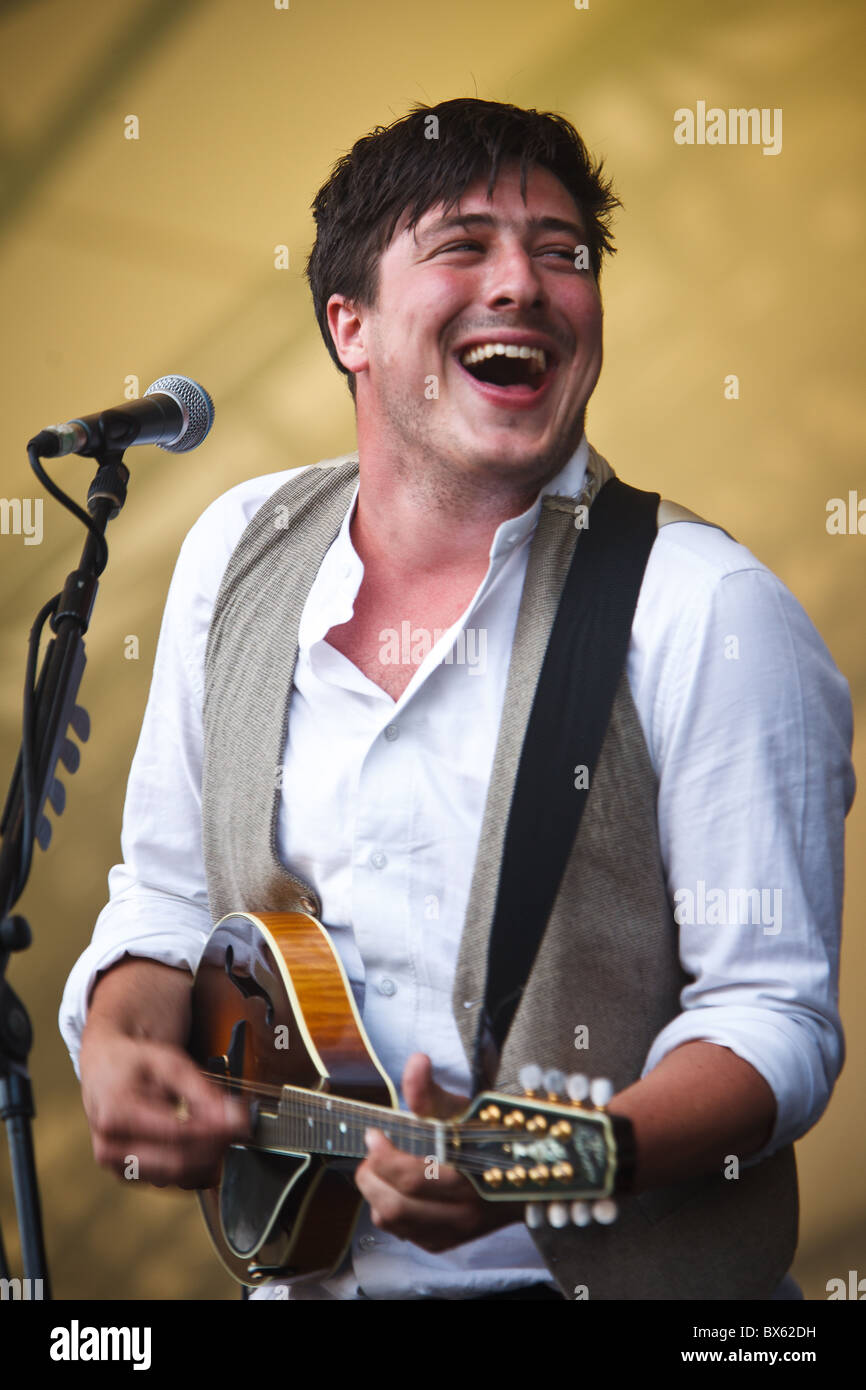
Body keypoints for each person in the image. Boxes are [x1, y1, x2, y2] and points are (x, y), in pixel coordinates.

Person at [60, 97, 855, 1301]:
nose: (525, 285)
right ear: (350, 328)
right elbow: (168, 892)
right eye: (463, 245)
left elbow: (771, 1023)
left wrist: (543, 1166)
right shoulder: (238, 548)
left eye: (561, 253)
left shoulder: (704, 610)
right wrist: (118, 1033)